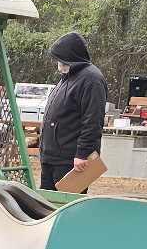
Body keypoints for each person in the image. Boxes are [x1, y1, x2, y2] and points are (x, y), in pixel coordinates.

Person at [38, 31, 106, 191]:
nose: (58, 63)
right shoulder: (67, 77)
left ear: (70, 57)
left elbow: (93, 121)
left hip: (70, 161)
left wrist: (83, 153)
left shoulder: (91, 79)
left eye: (60, 59)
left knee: (67, 207)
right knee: (46, 207)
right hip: (51, 157)